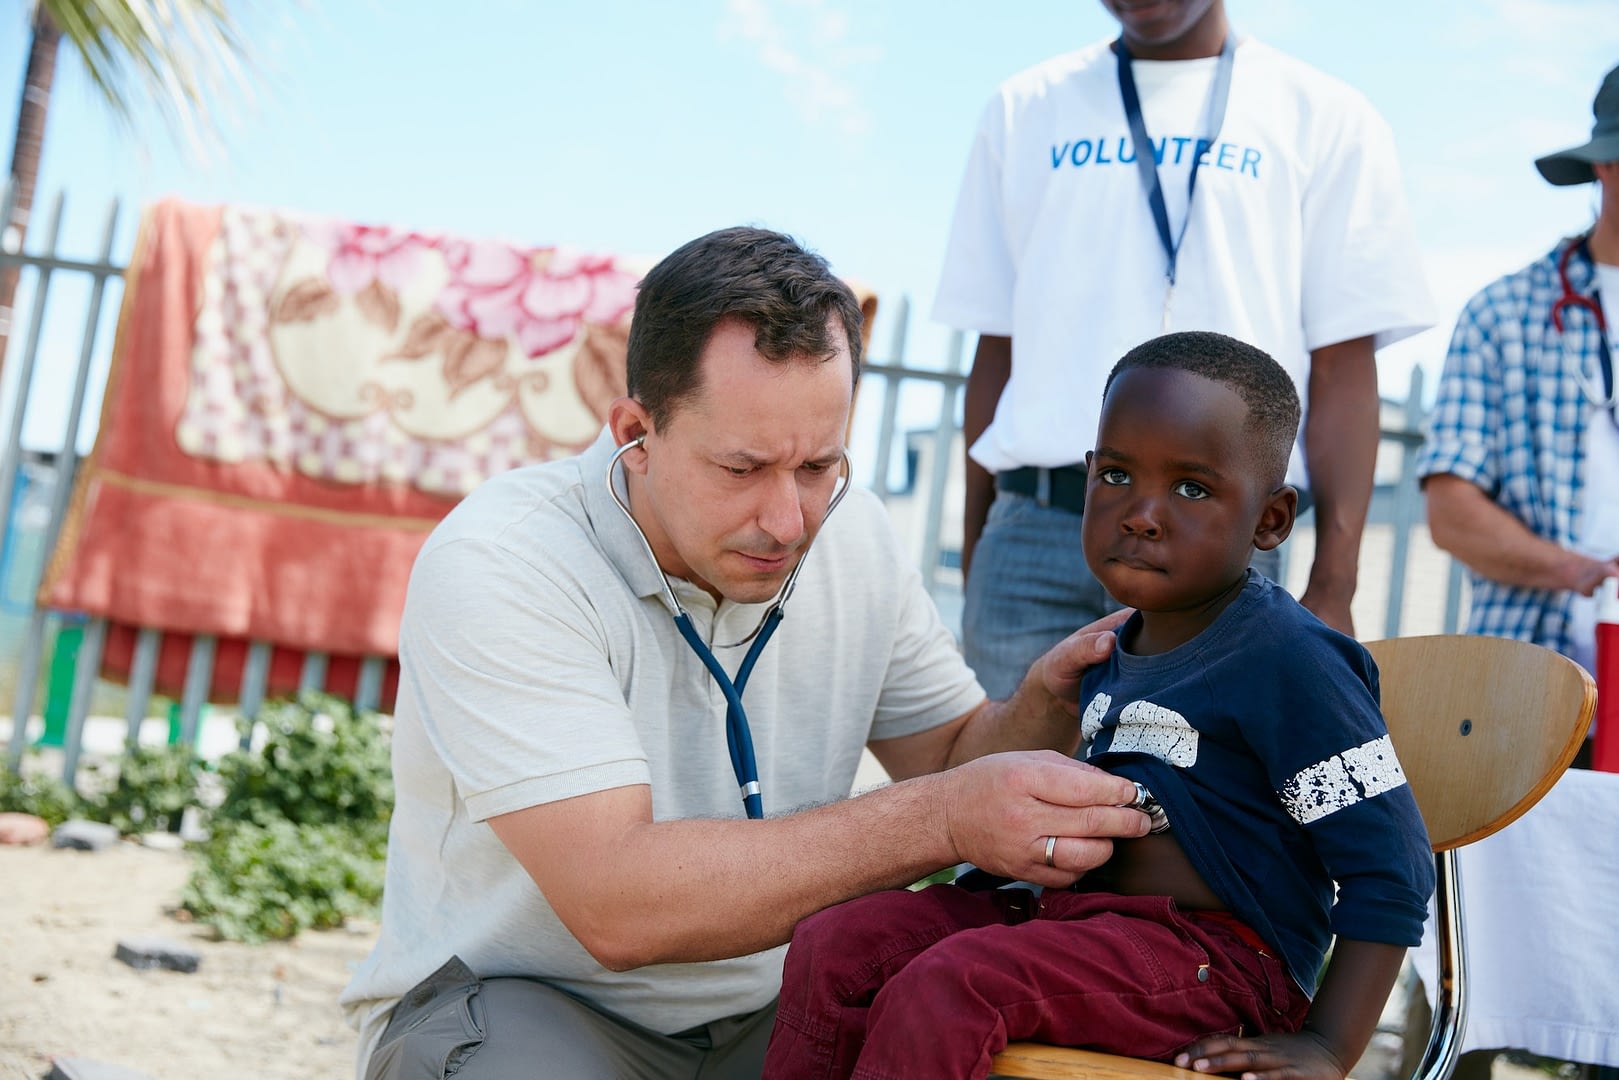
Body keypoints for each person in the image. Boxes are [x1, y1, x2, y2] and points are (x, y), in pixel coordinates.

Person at [339, 226, 1154, 1079]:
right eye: (741, 468)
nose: (787, 521)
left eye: (817, 466)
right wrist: (943, 815)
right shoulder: (505, 558)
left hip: (780, 1008)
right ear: (635, 432)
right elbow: (617, 907)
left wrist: (1045, 703)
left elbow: (948, 756)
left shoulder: (857, 536)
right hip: (529, 1005)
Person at [762, 331, 1435, 1080]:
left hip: (1218, 960)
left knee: (956, 986)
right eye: (1116, 474)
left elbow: (1392, 866)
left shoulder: (1290, 659)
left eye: (1191, 488)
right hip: (1080, 926)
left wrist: (1329, 1044)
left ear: (1270, 520)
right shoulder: (1114, 650)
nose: (1141, 513)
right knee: (837, 942)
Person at [934, 0, 1436, 699]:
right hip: (1032, 538)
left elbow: (1343, 369)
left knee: (1200, 802)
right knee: (1012, 796)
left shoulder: (1324, 115)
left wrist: (1333, 583)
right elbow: (996, 347)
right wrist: (977, 547)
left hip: (1218, 550)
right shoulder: (1024, 108)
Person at [1418, 62, 1619, 694]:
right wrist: (1582, 570)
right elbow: (1451, 512)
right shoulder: (1504, 313)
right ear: (1605, 167)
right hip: (1535, 680)